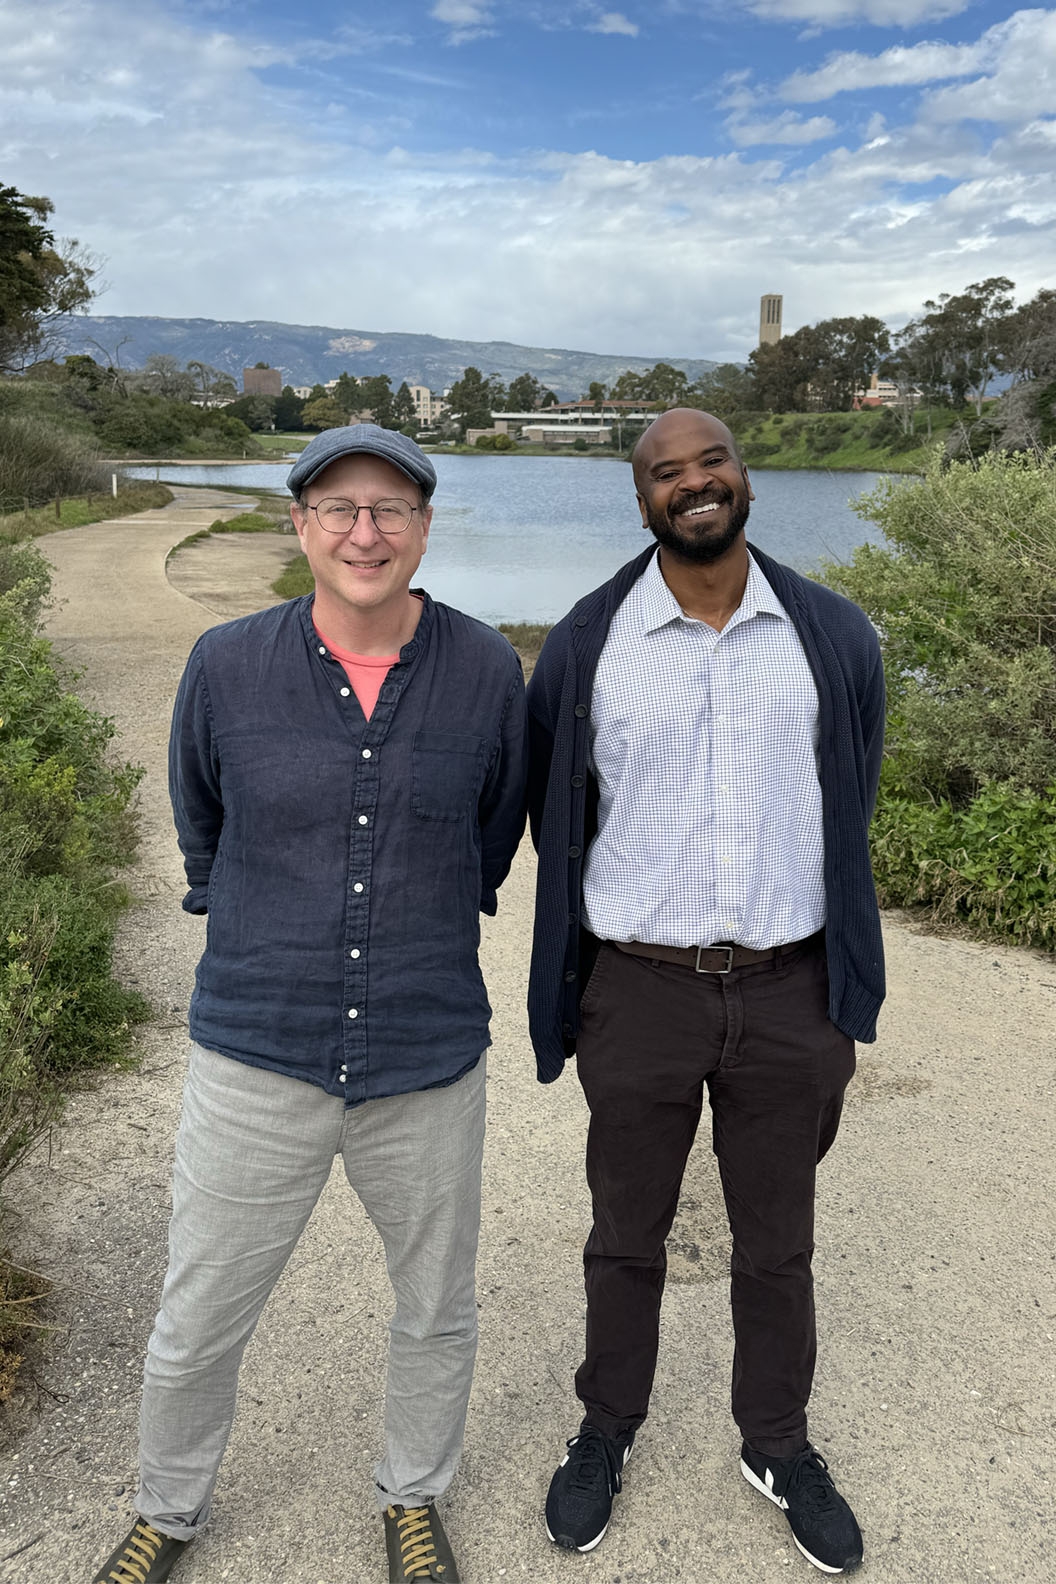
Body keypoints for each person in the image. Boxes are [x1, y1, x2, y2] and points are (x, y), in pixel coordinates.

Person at [90, 425, 527, 1584]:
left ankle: (414, 1495)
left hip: (427, 1052)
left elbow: (493, 836)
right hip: (255, 1050)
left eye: (390, 508)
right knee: (199, 1312)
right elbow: (201, 821)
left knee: (434, 1308)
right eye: (338, 508)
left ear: (426, 527)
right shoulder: (227, 663)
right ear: (300, 526)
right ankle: (167, 1507)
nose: (364, 531)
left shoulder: (488, 671)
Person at [526, 408, 885, 1576]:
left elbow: (852, 801)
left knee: (778, 1242)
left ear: (744, 475)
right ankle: (607, 1427)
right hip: (639, 991)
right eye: (664, 473)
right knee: (625, 1234)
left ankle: (776, 1440)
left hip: (790, 993)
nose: (693, 484)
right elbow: (559, 817)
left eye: (710, 462)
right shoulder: (587, 643)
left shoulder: (833, 635)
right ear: (639, 501)